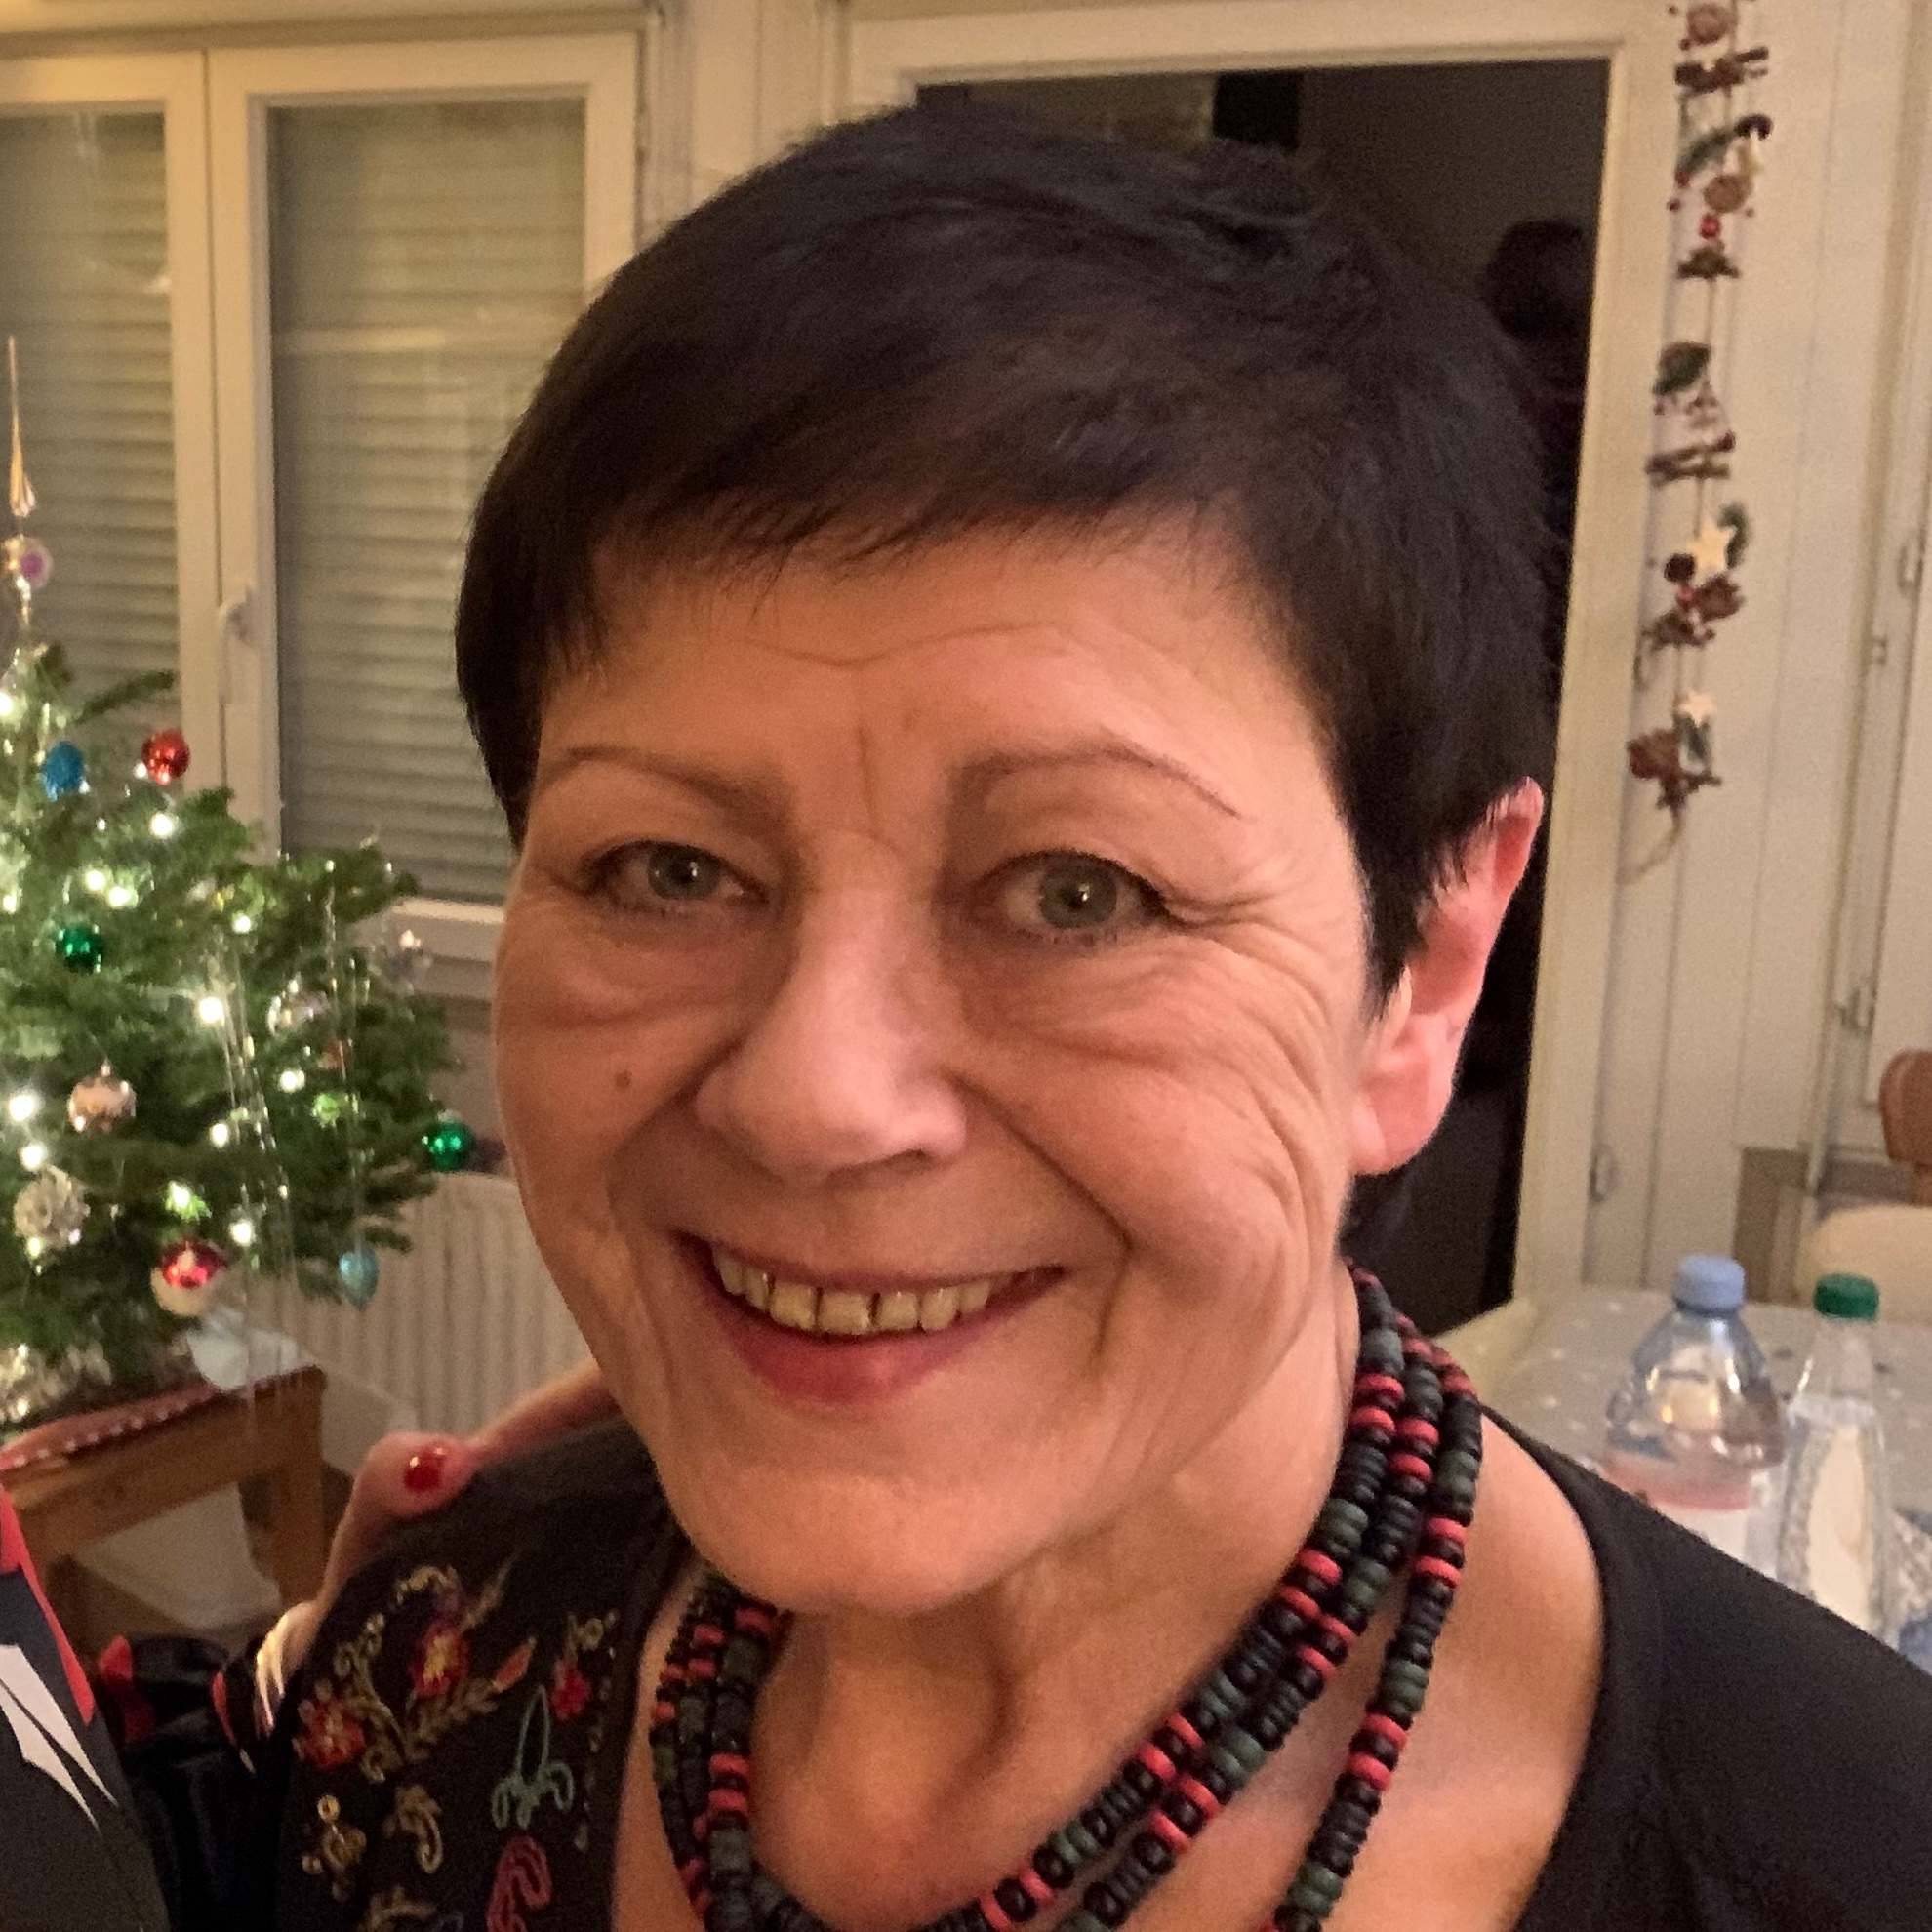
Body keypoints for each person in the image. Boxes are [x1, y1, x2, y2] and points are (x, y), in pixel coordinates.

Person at [241, 106, 1932, 1932]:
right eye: (667, 868)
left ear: (1428, 966)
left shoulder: (1846, 1861)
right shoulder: (425, 1681)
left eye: (1079, 892)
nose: (814, 1096)